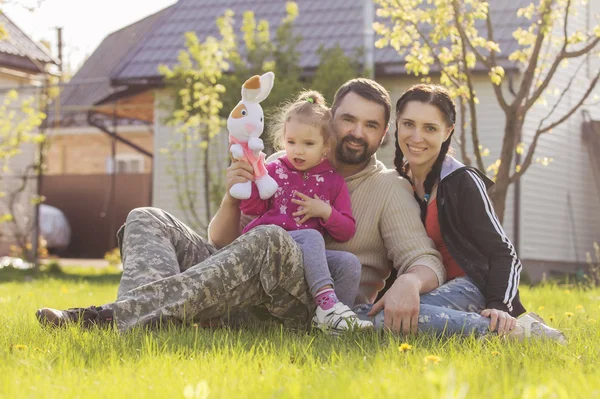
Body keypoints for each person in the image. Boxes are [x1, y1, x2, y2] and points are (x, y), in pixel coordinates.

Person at [36, 78, 445, 333]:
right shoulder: (277, 166)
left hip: (299, 307)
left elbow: (424, 258)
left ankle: (109, 317)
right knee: (146, 217)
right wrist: (232, 196)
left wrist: (409, 283)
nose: (356, 132)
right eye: (348, 120)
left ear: (383, 133)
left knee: (273, 237)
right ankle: (147, 324)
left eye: (370, 125)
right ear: (328, 119)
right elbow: (222, 241)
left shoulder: (389, 188)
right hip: (237, 280)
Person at [355, 83, 566, 343]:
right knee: (362, 317)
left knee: (384, 319)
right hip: (429, 288)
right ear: (397, 124)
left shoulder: (460, 180)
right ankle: (501, 331)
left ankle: (515, 332)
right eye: (409, 124)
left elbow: (504, 253)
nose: (416, 137)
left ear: (448, 132)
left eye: (429, 128)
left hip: (472, 286)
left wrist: (499, 305)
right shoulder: (397, 183)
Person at [240, 90, 372, 332]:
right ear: (283, 141)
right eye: (291, 142)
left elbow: (346, 231)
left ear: (325, 147)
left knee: (349, 263)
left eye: (308, 144)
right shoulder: (272, 170)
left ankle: (335, 322)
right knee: (311, 237)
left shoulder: (334, 182)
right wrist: (250, 185)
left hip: (304, 258)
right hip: (269, 248)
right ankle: (326, 304)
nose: (298, 151)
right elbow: (252, 209)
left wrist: (325, 212)